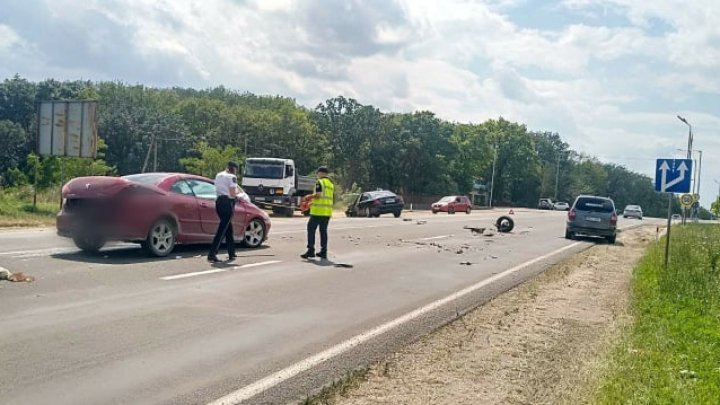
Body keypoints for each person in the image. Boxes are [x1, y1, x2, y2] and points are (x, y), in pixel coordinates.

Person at [208, 161, 240, 263]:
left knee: (228, 228)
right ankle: (212, 254)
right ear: (234, 169)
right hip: (227, 203)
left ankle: (231, 252)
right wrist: (237, 196)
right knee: (222, 230)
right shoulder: (232, 177)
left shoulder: (219, 175)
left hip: (219, 202)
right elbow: (232, 192)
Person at [301, 166, 334, 259]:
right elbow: (324, 198)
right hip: (327, 212)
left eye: (317, 173)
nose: (317, 175)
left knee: (311, 229)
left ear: (320, 173)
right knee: (323, 232)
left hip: (317, 212)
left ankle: (310, 250)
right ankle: (324, 251)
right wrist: (312, 203)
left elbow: (319, 195)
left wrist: (309, 197)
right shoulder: (330, 184)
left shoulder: (319, 182)